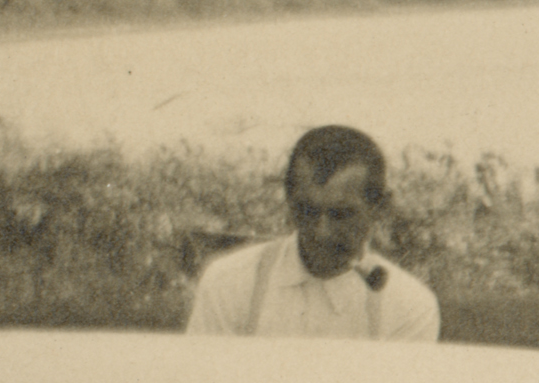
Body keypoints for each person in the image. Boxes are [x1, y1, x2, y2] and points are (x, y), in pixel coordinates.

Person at [185, 125, 441, 342]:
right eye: (307, 211)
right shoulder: (229, 283)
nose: (321, 233)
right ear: (288, 199)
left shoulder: (408, 307)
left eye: (341, 214)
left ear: (380, 207)